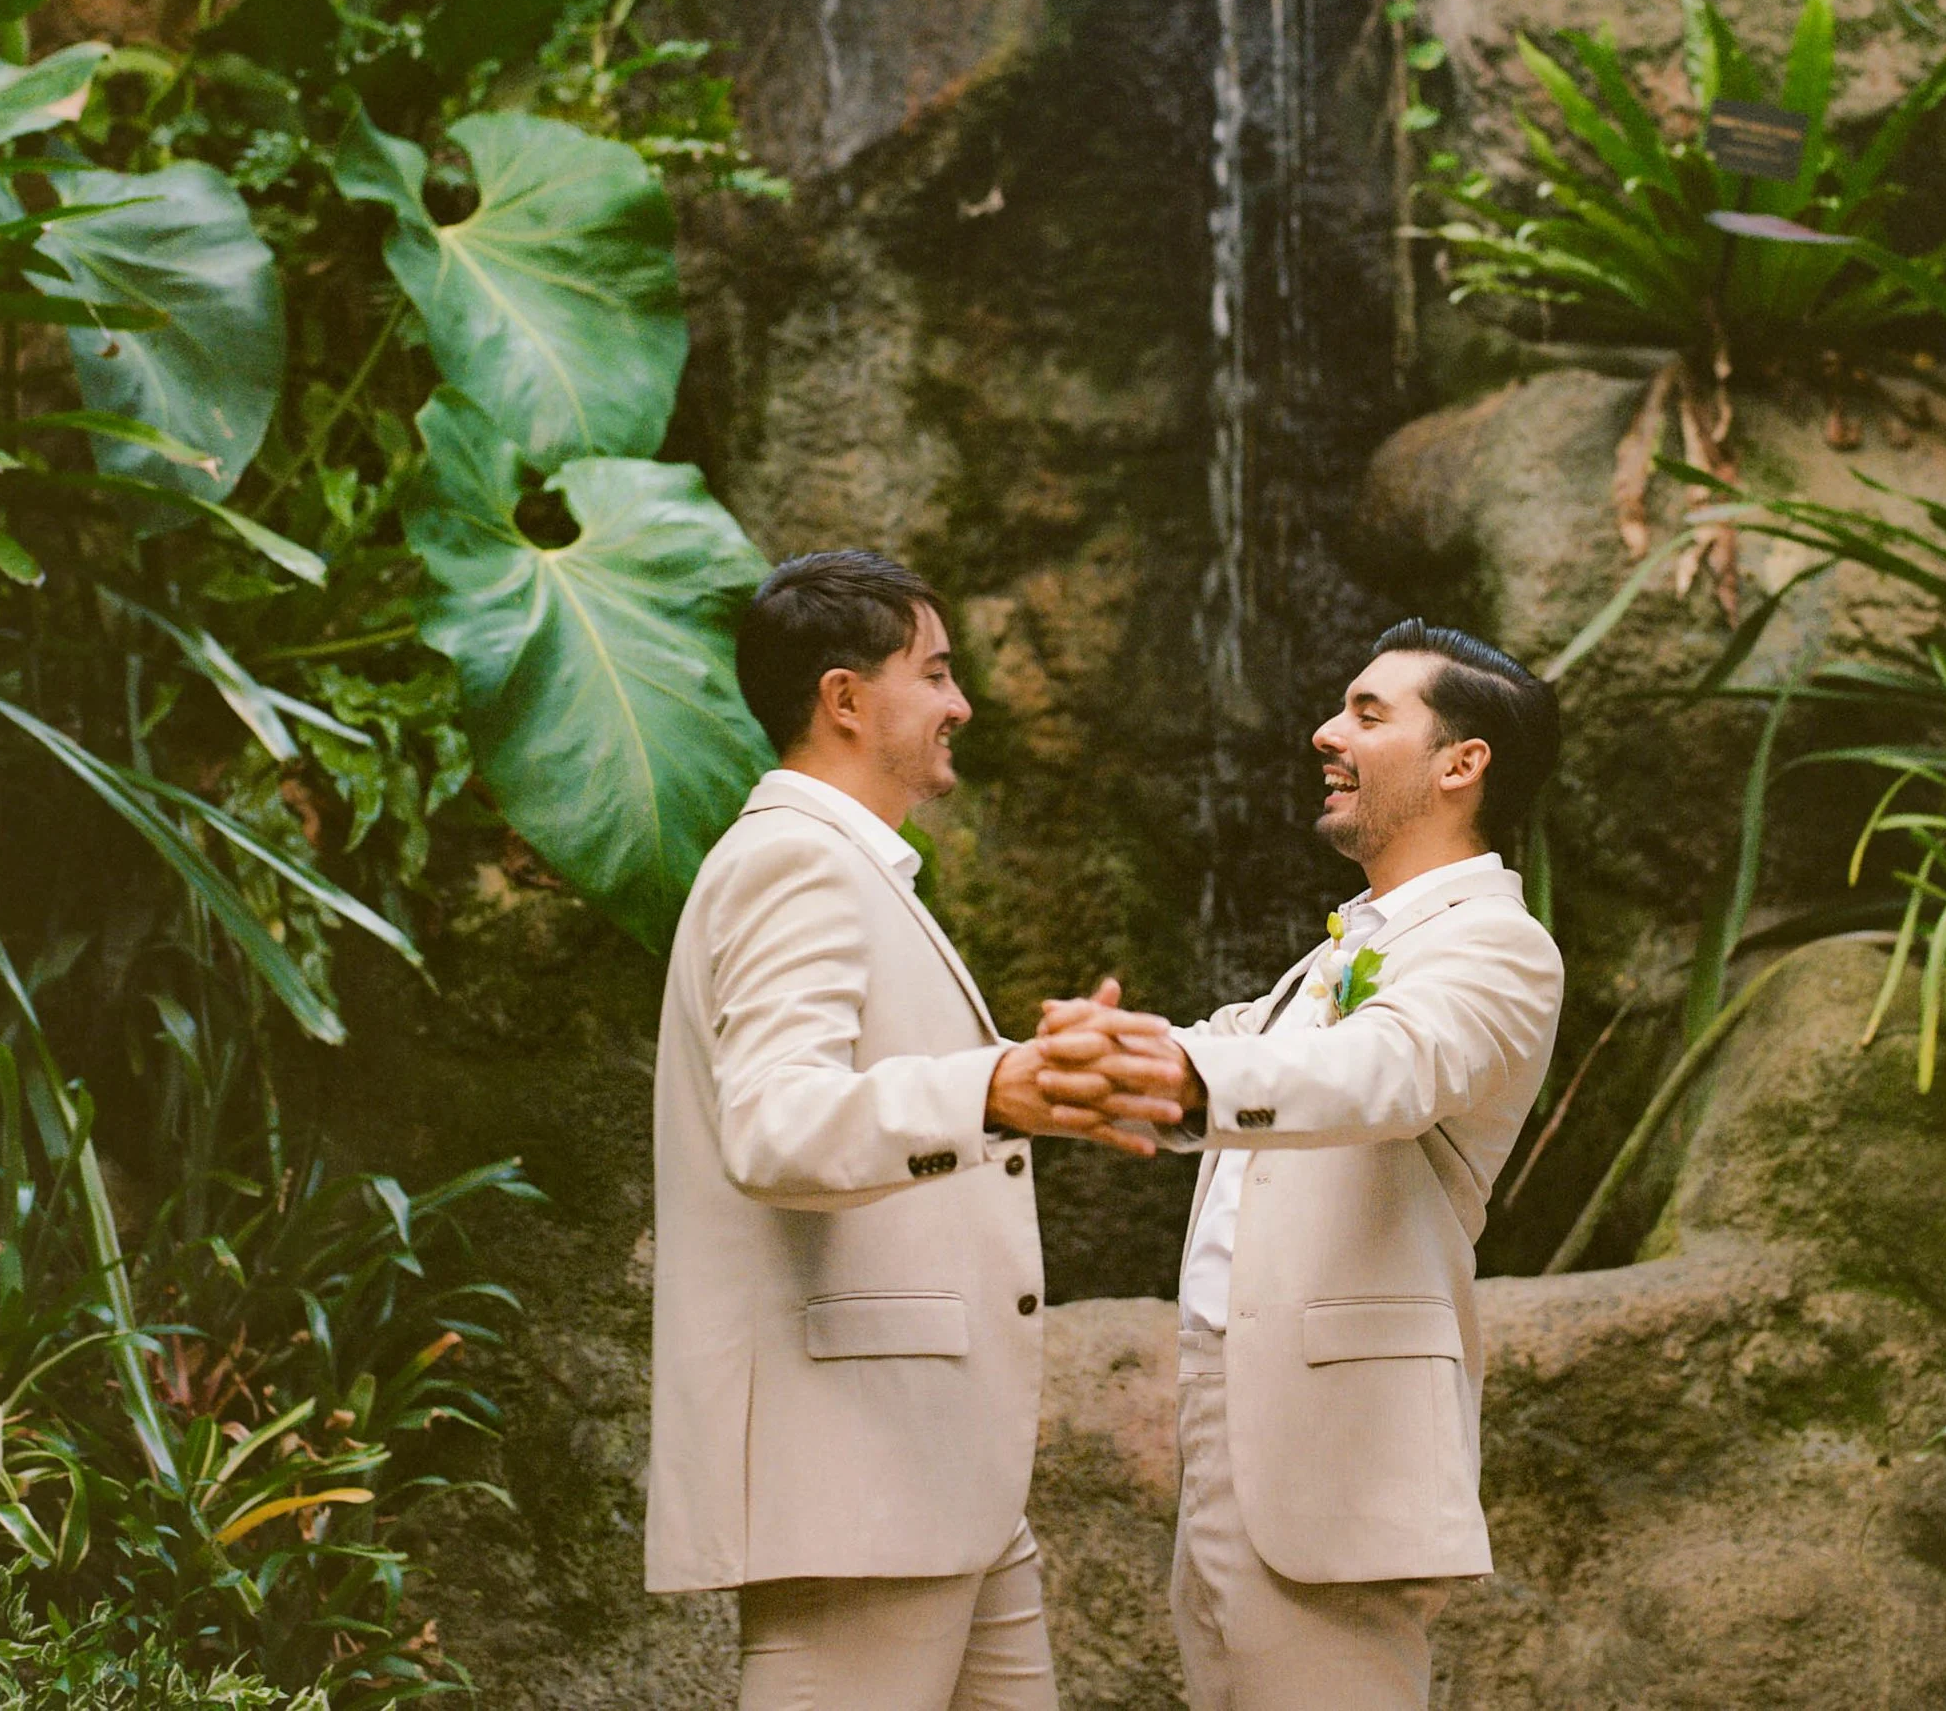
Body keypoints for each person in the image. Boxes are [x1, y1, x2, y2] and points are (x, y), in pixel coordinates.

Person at [644, 549, 1184, 1711]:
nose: (962, 703)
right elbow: (774, 1127)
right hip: (857, 1487)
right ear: (844, 698)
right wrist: (990, 1089)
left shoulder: (846, 866)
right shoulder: (795, 861)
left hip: (939, 1483)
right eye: (935, 674)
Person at [1037, 621, 1566, 1711]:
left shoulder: (1497, 945)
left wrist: (1183, 1074)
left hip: (1335, 1467)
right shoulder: (1336, 951)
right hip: (1234, 1427)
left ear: (1463, 764)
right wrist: (1066, 1065)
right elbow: (1233, 1044)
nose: (1326, 731)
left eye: (1369, 714)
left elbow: (1386, 1065)